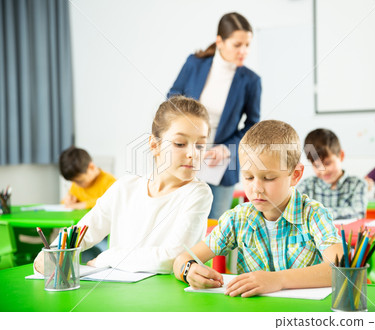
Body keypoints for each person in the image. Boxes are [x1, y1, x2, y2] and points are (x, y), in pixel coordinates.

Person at [34, 96, 213, 274]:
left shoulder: (198, 193)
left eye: (200, 145)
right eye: (180, 143)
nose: (192, 153)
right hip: (118, 295)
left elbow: (174, 257)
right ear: (154, 145)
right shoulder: (125, 187)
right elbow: (84, 231)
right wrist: (52, 253)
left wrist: (108, 258)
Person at [173, 120, 343, 297]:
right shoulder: (237, 219)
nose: (257, 188)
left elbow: (341, 269)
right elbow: (181, 260)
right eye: (248, 177)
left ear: (295, 175)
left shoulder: (313, 215)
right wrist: (188, 270)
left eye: (268, 178)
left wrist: (278, 280)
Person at [167, 12, 261, 220]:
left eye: (247, 45)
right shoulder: (194, 64)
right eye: (237, 45)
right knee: (182, 222)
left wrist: (227, 150)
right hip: (187, 157)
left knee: (217, 230)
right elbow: (173, 97)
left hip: (220, 166)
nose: (243, 51)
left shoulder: (251, 81)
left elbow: (253, 126)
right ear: (220, 41)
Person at [297, 129, 368, 220]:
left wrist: (320, 213)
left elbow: (359, 212)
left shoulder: (358, 184)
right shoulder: (307, 185)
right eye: (316, 165)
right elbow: (295, 209)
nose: (323, 171)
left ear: (341, 156)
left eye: (327, 163)